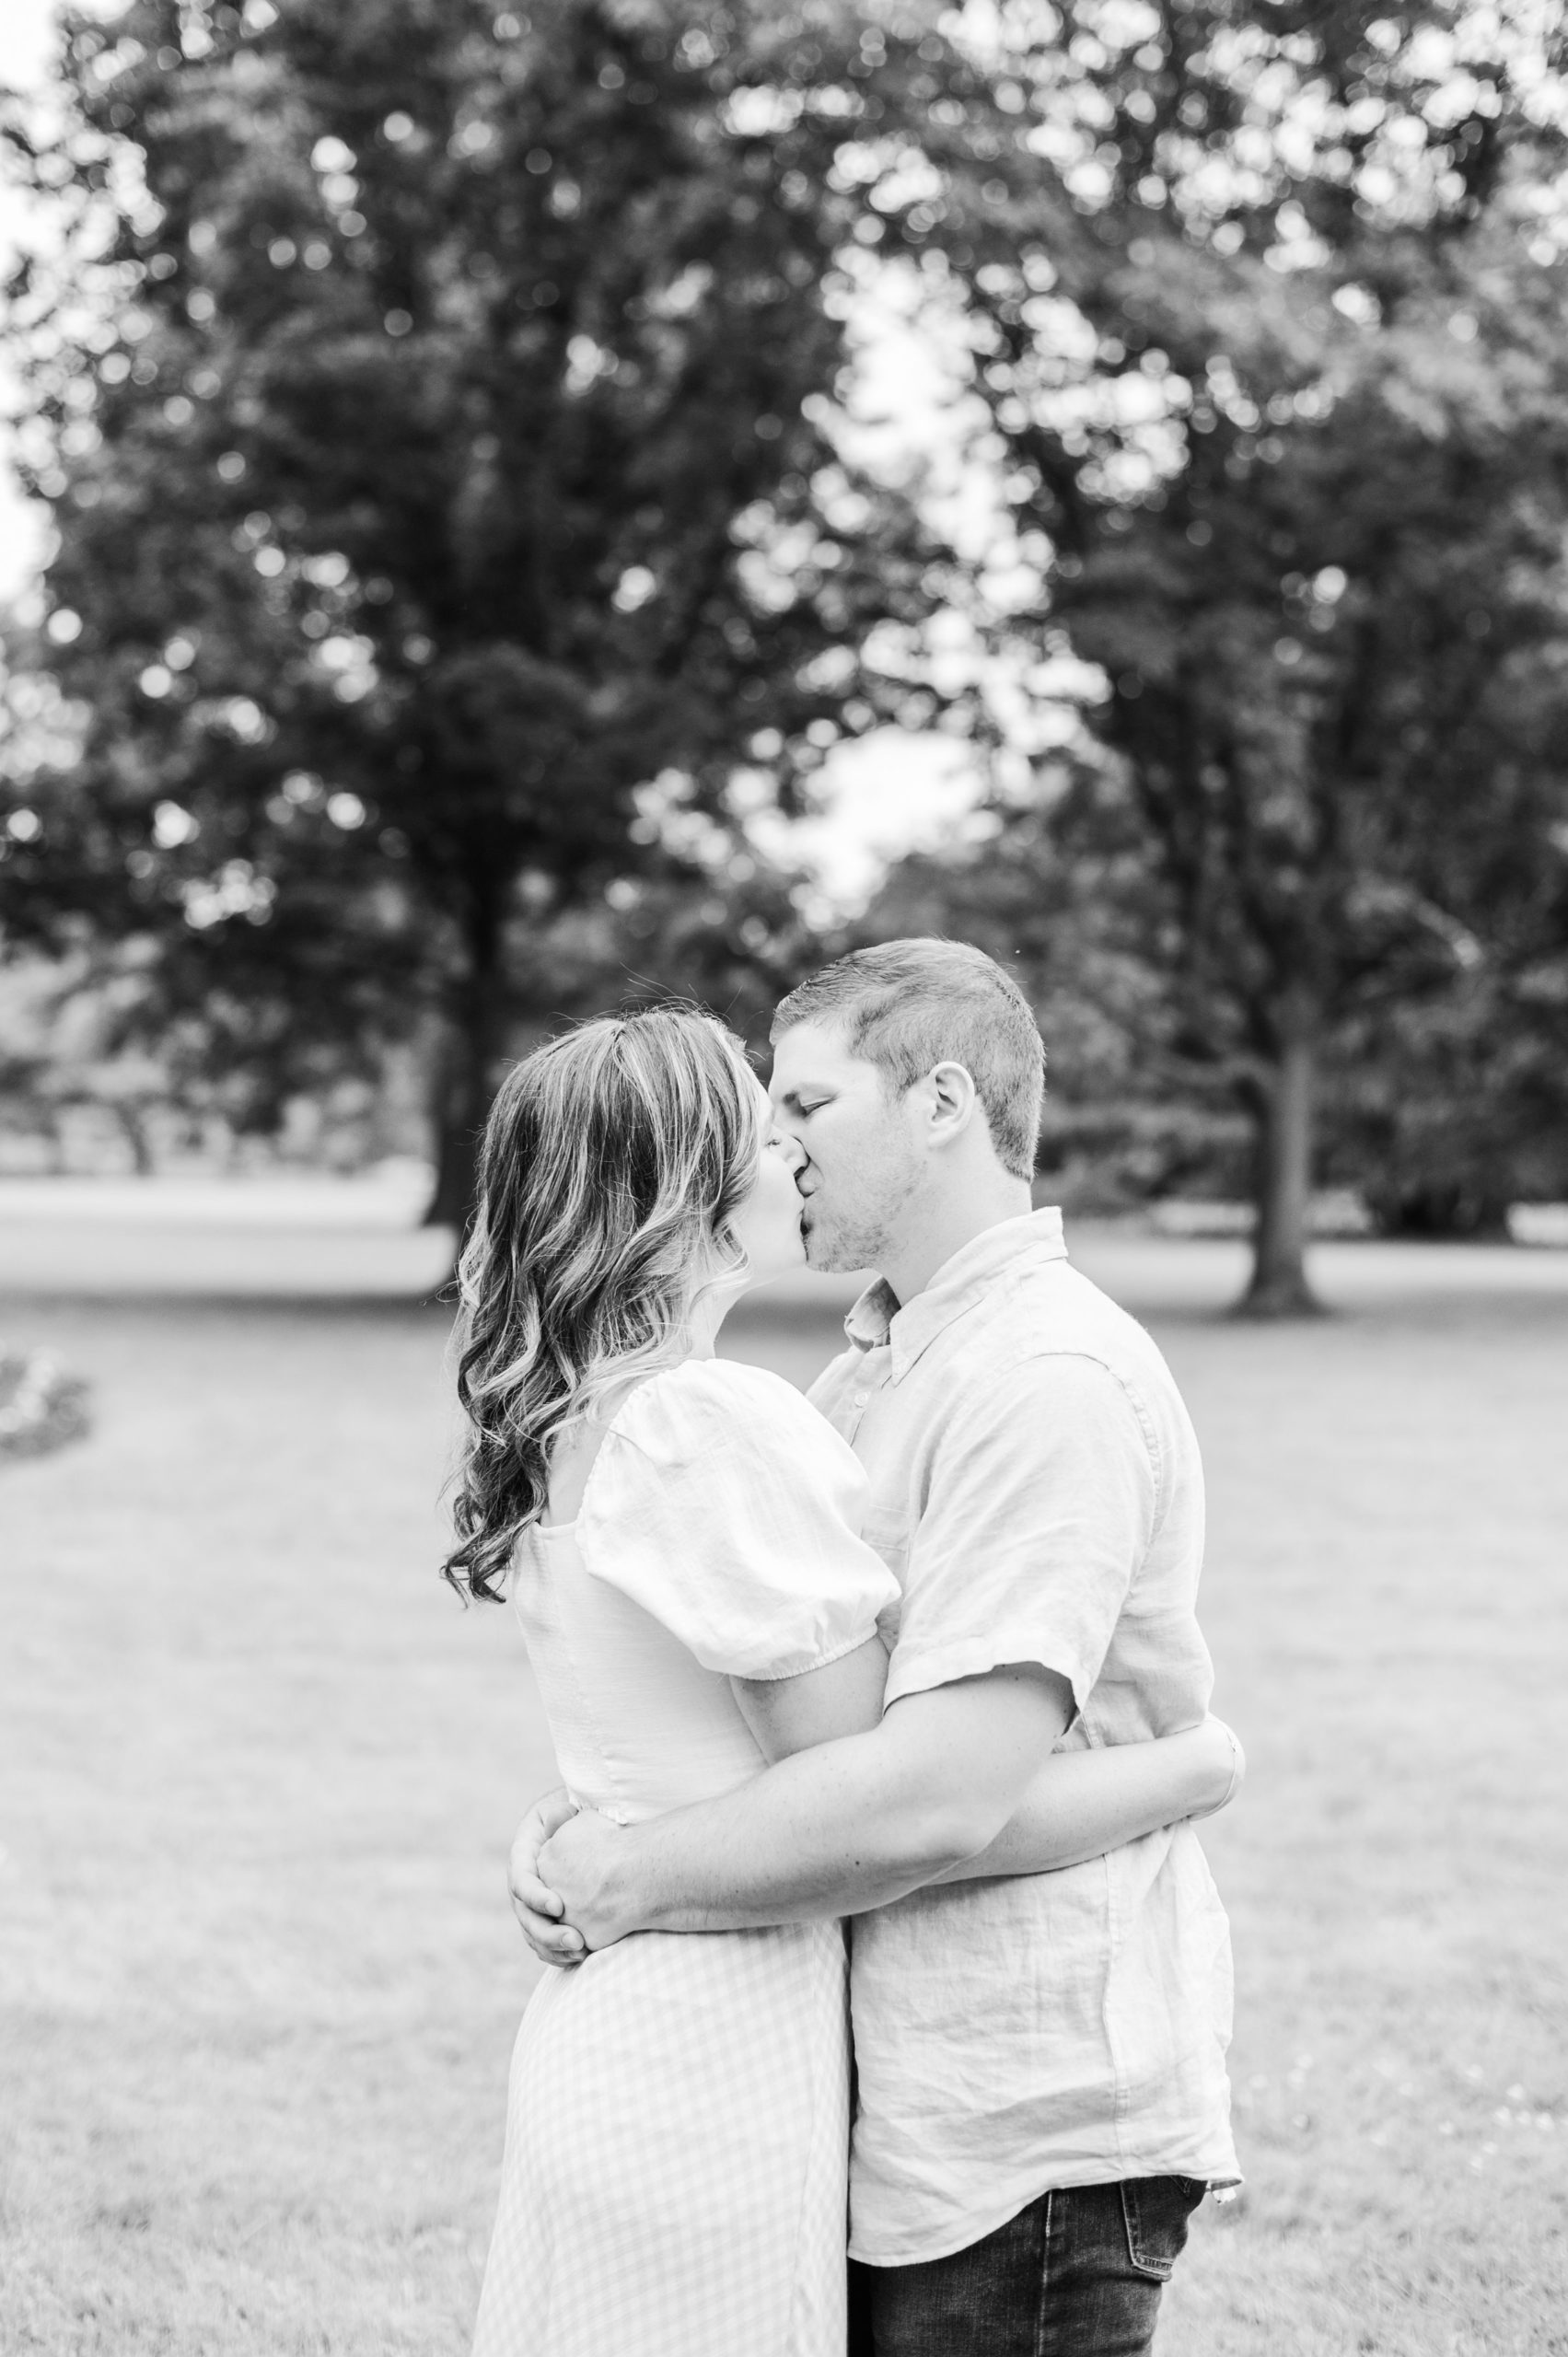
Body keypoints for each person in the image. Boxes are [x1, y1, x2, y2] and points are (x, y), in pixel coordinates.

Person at [449, 1000, 1240, 2357]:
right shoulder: (716, 1415)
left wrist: (608, 1840)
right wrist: (1195, 1764)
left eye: (805, 1109)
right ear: (686, 1183)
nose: (788, 1148)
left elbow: (697, 1741)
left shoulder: (610, 1415)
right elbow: (892, 1790)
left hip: (685, 2037)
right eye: (768, 1124)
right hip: (713, 2043)